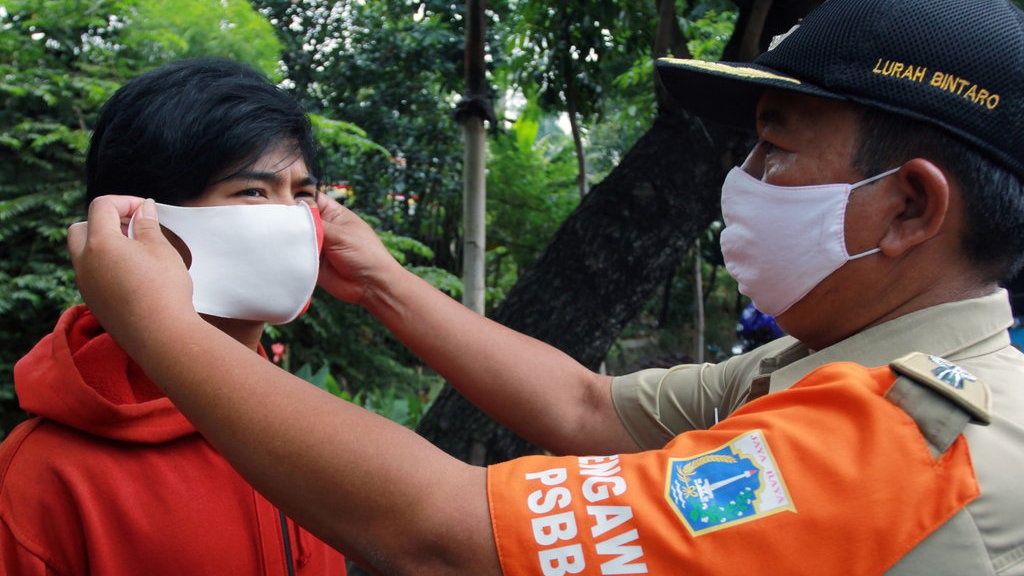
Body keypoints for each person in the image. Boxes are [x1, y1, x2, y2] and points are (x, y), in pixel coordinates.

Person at [65, 0, 1024, 573]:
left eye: (774, 147)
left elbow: (439, 536)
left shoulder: (902, 439)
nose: (745, 180)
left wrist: (158, 325)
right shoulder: (826, 367)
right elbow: (586, 405)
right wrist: (386, 283)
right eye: (254, 193)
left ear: (908, 210)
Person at [0, 58, 348, 575]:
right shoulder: (40, 477)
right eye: (253, 191)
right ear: (137, 217)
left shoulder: (316, 435)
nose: (295, 219)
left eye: (303, 194)